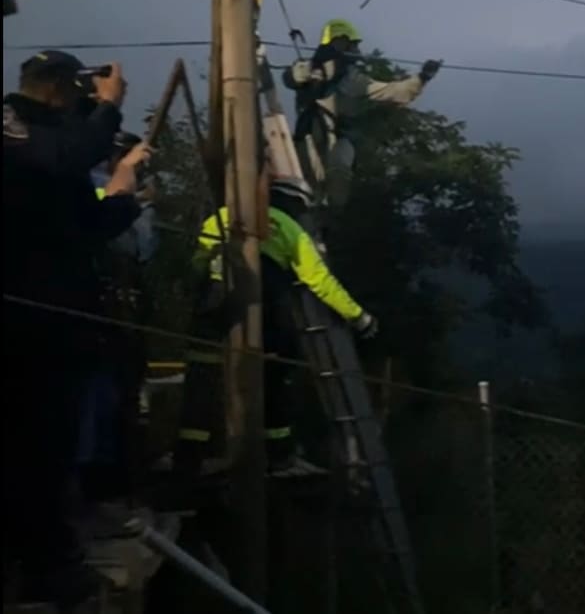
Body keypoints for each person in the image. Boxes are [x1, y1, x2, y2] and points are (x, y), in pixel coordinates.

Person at [3, 50, 144, 608]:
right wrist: (108, 109)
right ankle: (44, 563)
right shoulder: (13, 126)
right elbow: (61, 159)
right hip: (17, 322)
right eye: (79, 94)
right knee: (26, 448)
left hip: (57, 324)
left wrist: (124, 198)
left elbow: (82, 225)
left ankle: (45, 563)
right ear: (58, 89)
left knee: (47, 450)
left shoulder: (53, 151)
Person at [173, 177, 378, 478]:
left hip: (211, 307)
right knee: (274, 380)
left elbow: (196, 264)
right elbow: (319, 281)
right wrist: (360, 317)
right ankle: (278, 456)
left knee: (203, 379)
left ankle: (189, 457)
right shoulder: (289, 228)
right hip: (264, 310)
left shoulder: (222, 216)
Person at [282, 18, 442, 208]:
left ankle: (330, 216)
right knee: (306, 185)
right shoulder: (308, 70)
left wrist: (422, 78)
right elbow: (291, 78)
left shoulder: (354, 79)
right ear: (339, 41)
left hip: (340, 137)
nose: (355, 51)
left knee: (339, 172)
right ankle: (312, 212)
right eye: (352, 45)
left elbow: (393, 92)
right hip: (309, 134)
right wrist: (307, 73)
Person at [78, 131, 158, 504]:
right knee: (102, 395)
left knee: (115, 392)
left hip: (113, 306)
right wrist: (138, 202)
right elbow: (134, 246)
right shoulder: (96, 185)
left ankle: (108, 471)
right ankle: (99, 479)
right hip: (98, 308)